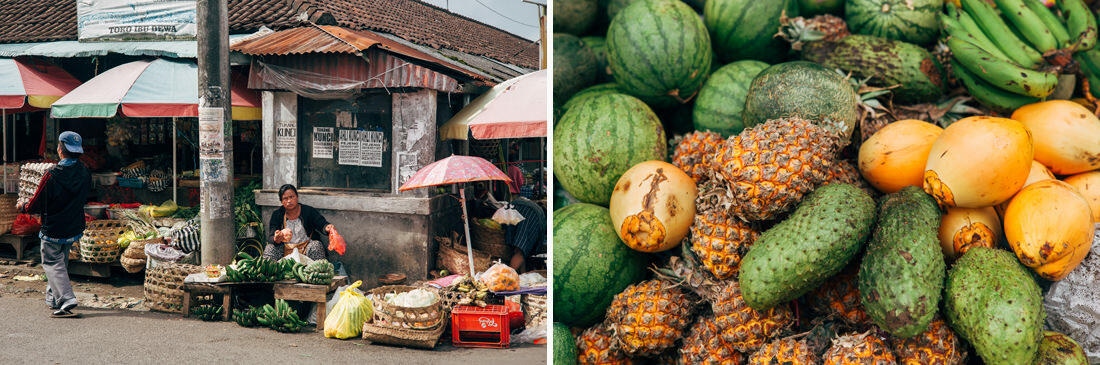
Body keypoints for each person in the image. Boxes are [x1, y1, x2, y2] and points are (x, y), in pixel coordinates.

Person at [19, 131, 90, 318]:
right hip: (74, 225)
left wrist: (24, 206)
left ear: (60, 149)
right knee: (61, 263)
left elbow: (36, 201)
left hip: (54, 226)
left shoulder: (52, 174)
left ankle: (66, 298)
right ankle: (53, 299)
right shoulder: (84, 171)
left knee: (51, 262)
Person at [263, 184, 338, 262]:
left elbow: (321, 223)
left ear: (297, 197)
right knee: (270, 248)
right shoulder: (277, 215)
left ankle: (318, 271)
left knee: (316, 245)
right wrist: (276, 238)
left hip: (306, 250)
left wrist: (327, 227)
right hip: (285, 252)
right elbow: (271, 236)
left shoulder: (308, 211)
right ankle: (269, 272)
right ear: (281, 202)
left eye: (292, 197)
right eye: (285, 198)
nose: (289, 201)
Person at [503, 196, 545, 272]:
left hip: (514, 207)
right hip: (528, 214)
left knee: (521, 249)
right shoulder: (538, 217)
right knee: (520, 252)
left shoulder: (537, 209)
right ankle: (507, 277)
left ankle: (522, 275)